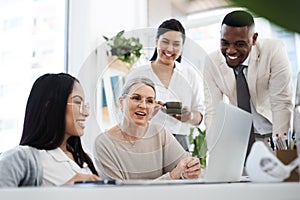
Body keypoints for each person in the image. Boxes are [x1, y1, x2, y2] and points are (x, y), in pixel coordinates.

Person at [203, 10, 293, 155]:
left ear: (254, 38)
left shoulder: (273, 50)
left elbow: (281, 103)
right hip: (240, 139)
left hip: (272, 134)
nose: (231, 51)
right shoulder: (211, 62)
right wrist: (214, 151)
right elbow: (213, 111)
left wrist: (282, 152)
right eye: (225, 43)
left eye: (239, 44)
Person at [0, 73, 101, 187]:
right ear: (49, 105)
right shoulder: (19, 158)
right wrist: (65, 191)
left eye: (85, 105)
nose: (86, 113)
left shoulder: (84, 160)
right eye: (77, 102)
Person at [94, 77, 201, 181]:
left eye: (149, 101)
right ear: (121, 102)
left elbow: (186, 167)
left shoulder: (159, 133)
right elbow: (121, 194)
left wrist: (192, 168)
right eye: (136, 98)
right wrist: (172, 176)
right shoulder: (103, 143)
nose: (143, 105)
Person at [126, 18, 205, 151]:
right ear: (156, 40)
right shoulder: (138, 74)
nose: (170, 48)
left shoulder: (190, 75)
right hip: (145, 138)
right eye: (165, 42)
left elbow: (200, 116)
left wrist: (188, 116)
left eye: (176, 44)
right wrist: (146, 114)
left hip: (180, 142)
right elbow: (124, 113)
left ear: (182, 47)